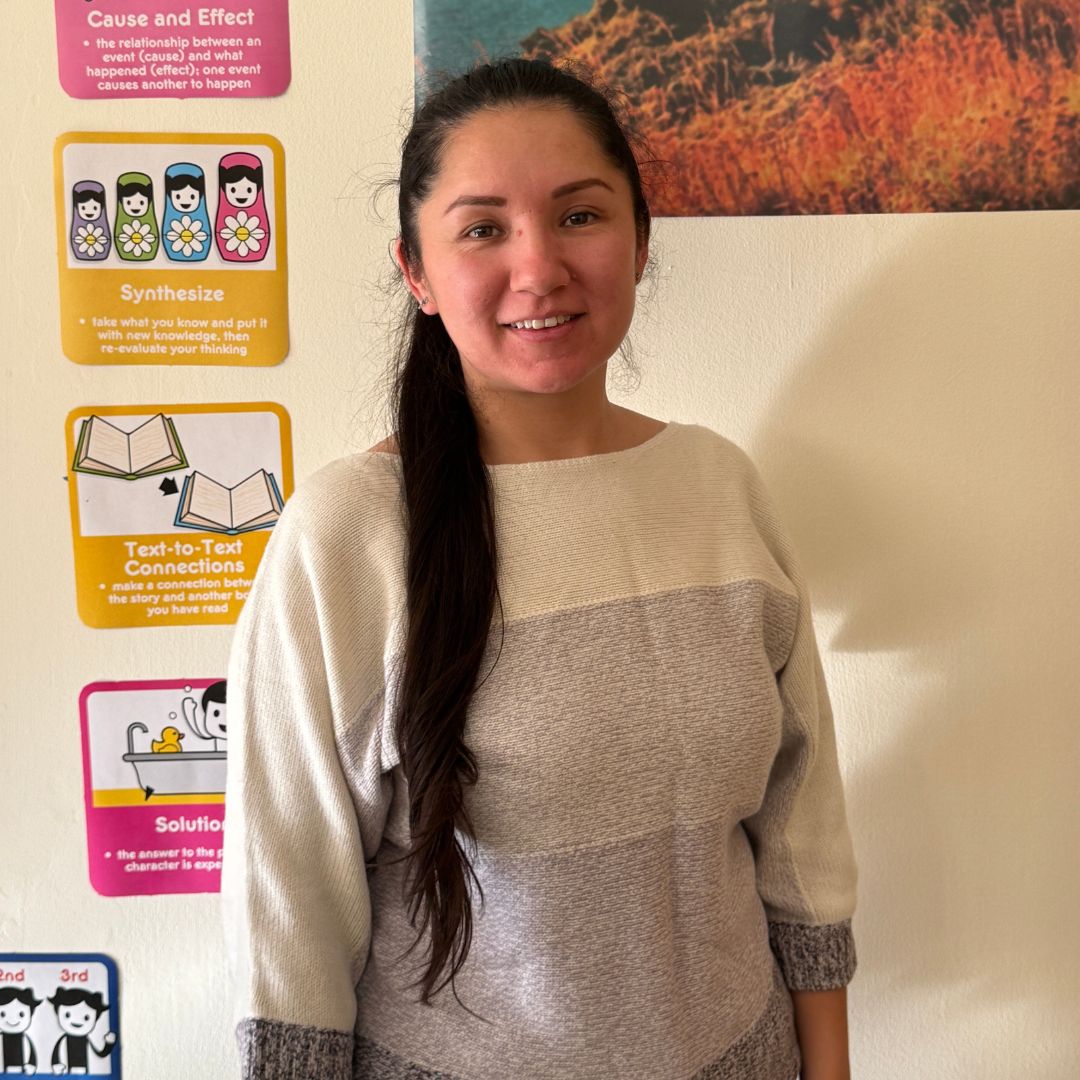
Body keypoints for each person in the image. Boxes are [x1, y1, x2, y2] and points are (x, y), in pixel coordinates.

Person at [222, 57, 858, 1080]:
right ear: (417, 273)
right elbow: (289, 913)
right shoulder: (348, 532)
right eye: (483, 229)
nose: (539, 267)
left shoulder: (718, 486)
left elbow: (802, 829)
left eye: (580, 216)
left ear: (641, 241)